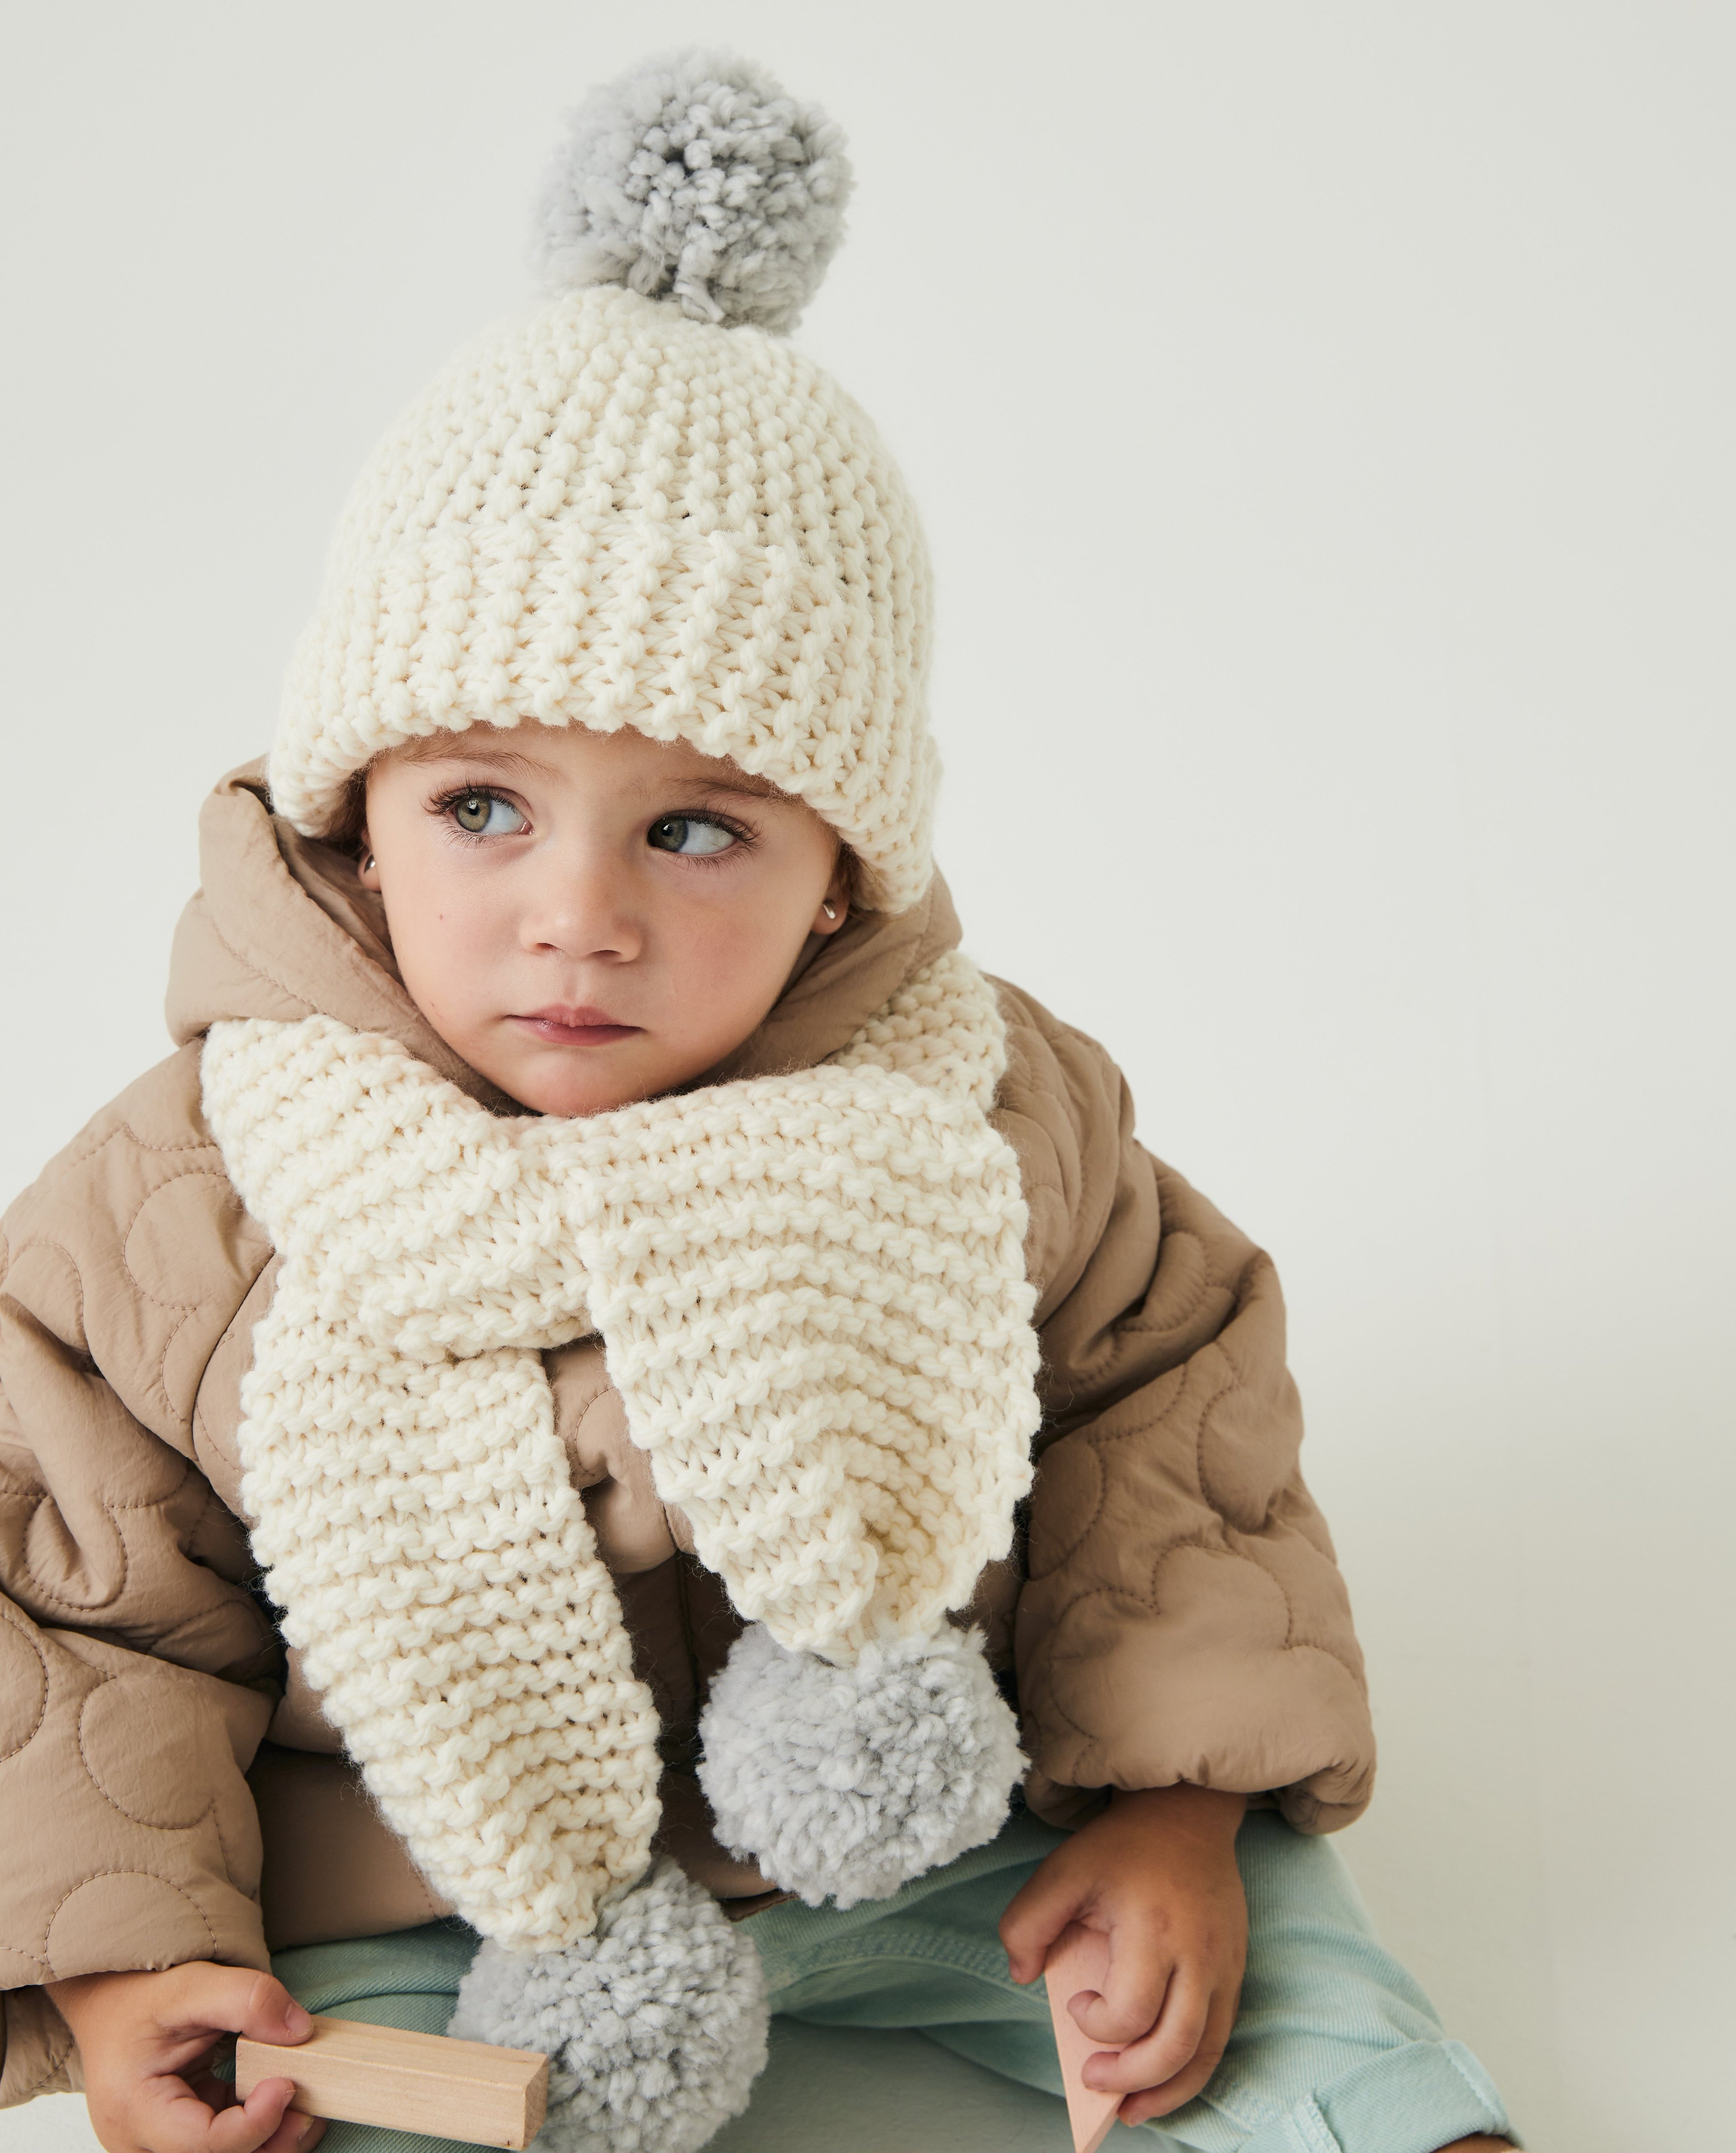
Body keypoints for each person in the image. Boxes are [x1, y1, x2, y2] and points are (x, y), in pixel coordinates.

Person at [0, 51, 1516, 2153]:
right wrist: (119, 1955)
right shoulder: (183, 1201)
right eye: (481, 807)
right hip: (419, 1878)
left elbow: (1159, 1424)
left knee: (1301, 2024)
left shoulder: (978, 1111)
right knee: (292, 2107)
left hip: (951, 1824)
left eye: (698, 832)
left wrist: (1177, 1808)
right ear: (357, 823)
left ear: (839, 882)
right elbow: (79, 1610)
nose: (576, 917)